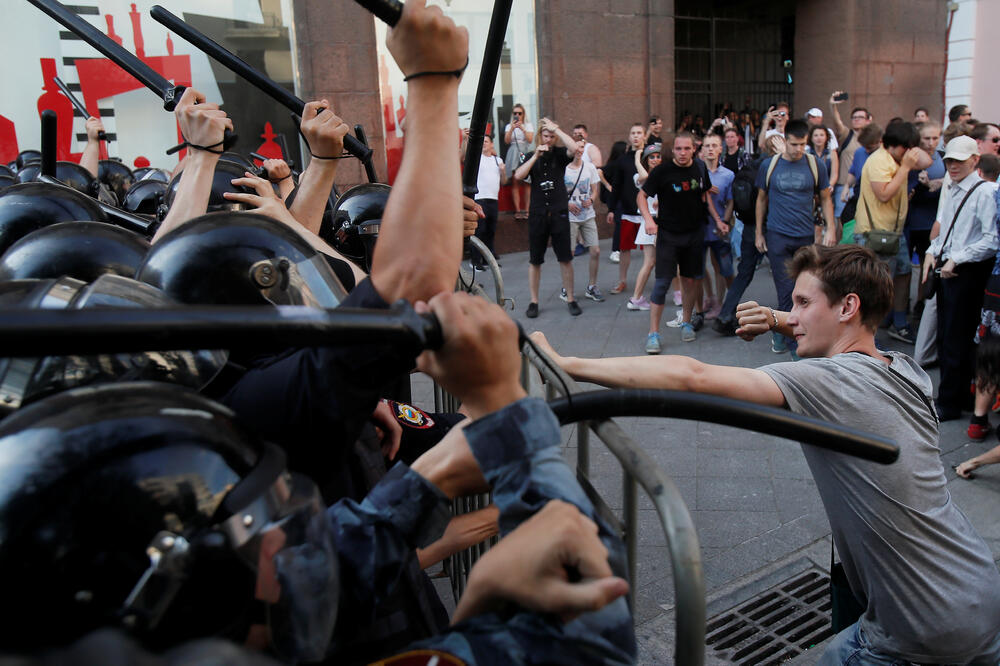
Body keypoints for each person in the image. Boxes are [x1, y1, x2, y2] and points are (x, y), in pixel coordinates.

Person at [530, 243, 1000, 665]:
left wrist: (568, 365)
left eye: (801, 303)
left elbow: (691, 375)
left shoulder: (829, 382)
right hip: (976, 585)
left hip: (922, 627)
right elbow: (839, 337)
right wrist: (784, 320)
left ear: (848, 307)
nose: (790, 314)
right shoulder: (907, 371)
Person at [923, 135, 1000, 421]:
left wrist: (959, 257)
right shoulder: (953, 187)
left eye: (958, 160)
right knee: (948, 336)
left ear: (975, 160)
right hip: (949, 268)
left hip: (967, 272)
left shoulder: (984, 192)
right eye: (949, 160)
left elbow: (991, 241)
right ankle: (957, 397)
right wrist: (935, 251)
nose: (952, 165)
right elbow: (946, 232)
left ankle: (951, 400)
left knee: (957, 338)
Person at [755, 119, 836, 358]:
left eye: (802, 144)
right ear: (784, 140)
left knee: (804, 290)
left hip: (805, 236)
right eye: (793, 144)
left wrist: (831, 229)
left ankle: (784, 330)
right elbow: (761, 199)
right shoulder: (770, 165)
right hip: (777, 234)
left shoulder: (815, 165)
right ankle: (793, 344)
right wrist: (758, 232)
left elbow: (825, 199)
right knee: (784, 290)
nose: (798, 149)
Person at [639, 132, 720, 352]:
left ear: (694, 149)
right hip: (668, 235)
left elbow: (705, 195)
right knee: (662, 283)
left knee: (691, 280)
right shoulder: (662, 171)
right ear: (672, 150)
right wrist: (648, 220)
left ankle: (686, 322)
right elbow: (642, 196)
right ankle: (653, 333)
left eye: (686, 149)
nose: (682, 153)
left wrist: (718, 221)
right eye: (678, 149)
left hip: (694, 233)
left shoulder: (701, 168)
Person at [853, 121, 931, 344]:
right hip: (872, 233)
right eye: (906, 149)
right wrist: (906, 167)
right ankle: (867, 334)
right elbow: (884, 194)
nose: (909, 154)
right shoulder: (879, 161)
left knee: (904, 273)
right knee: (874, 285)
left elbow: (928, 160)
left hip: (894, 234)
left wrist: (915, 150)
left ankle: (899, 322)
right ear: (894, 146)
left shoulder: (900, 156)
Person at [713, 133, 784, 336]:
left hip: (749, 227)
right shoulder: (775, 167)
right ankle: (786, 320)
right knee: (783, 274)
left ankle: (725, 315)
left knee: (744, 272)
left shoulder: (751, 165)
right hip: (771, 227)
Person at [514, 118, 581, 317]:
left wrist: (557, 129)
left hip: (559, 213)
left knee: (565, 258)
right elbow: (519, 175)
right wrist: (536, 155)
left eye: (551, 137)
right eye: (546, 135)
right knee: (535, 260)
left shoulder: (560, 154)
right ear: (539, 137)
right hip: (538, 214)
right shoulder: (529, 155)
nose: (549, 139)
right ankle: (534, 301)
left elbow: (575, 148)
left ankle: (570, 298)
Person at [605, 123, 646, 296]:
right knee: (624, 249)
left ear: (644, 136)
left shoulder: (651, 157)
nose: (636, 136)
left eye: (639, 133)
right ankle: (622, 281)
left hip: (649, 213)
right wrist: (611, 208)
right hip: (628, 211)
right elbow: (617, 185)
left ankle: (660, 280)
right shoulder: (622, 160)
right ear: (629, 137)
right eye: (633, 133)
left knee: (654, 251)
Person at [699, 133, 735, 321]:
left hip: (719, 227)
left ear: (721, 149)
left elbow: (730, 202)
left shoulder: (728, 175)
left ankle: (720, 303)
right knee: (700, 265)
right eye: (707, 145)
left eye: (714, 145)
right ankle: (710, 297)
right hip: (698, 227)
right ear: (702, 150)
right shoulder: (695, 172)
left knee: (720, 266)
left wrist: (725, 221)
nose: (711, 149)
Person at [563, 141, 603, 302]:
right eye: (575, 148)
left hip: (587, 215)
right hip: (571, 217)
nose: (578, 150)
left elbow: (595, 190)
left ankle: (592, 286)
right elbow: (558, 193)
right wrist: (568, 204)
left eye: (581, 147)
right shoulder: (564, 169)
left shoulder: (590, 167)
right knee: (569, 254)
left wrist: (592, 199)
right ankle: (566, 288)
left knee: (595, 251)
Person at [627, 143, 661, 311]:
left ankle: (678, 294)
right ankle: (636, 298)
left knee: (671, 260)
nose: (655, 160)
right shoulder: (639, 177)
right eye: (651, 157)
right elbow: (643, 176)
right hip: (649, 221)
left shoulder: (667, 174)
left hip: (665, 221)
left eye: (658, 156)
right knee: (650, 262)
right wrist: (637, 158)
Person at [465, 133, 506, 269]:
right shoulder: (477, 159)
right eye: (482, 142)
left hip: (493, 199)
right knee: (479, 230)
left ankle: (488, 259)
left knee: (490, 230)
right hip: (479, 199)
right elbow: (464, 156)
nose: (484, 144)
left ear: (492, 144)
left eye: (486, 141)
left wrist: (503, 172)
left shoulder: (497, 160)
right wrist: (467, 140)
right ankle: (475, 260)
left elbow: (504, 181)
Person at [829, 93, 873, 219]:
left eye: (860, 117)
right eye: (854, 117)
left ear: (868, 120)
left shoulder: (873, 139)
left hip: (866, 186)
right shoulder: (846, 134)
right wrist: (833, 106)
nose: (856, 119)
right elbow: (837, 122)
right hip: (844, 185)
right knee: (841, 218)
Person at [503, 103, 534, 219]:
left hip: (524, 151)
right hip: (513, 151)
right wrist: (512, 128)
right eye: (515, 113)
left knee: (527, 182)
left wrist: (522, 128)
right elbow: (506, 141)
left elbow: (530, 140)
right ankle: (517, 210)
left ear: (523, 114)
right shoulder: (508, 126)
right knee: (515, 181)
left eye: (519, 113)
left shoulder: (528, 125)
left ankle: (527, 210)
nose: (517, 115)